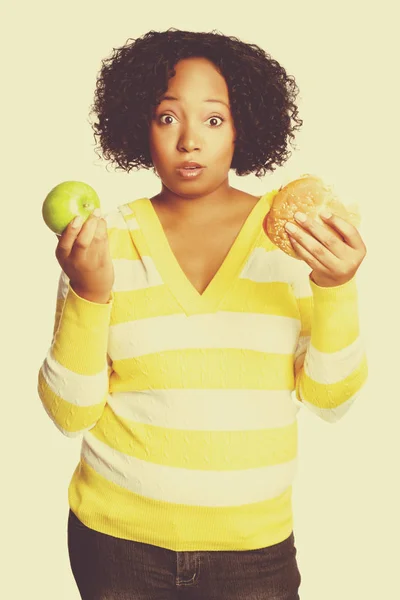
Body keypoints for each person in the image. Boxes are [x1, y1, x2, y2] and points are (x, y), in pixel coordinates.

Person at [37, 28, 368, 600]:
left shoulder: (295, 240)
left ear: (245, 127)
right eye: (168, 118)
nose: (189, 140)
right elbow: (70, 413)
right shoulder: (103, 240)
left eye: (214, 120)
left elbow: (331, 400)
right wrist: (89, 292)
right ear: (140, 125)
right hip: (115, 547)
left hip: (253, 556)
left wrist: (336, 286)